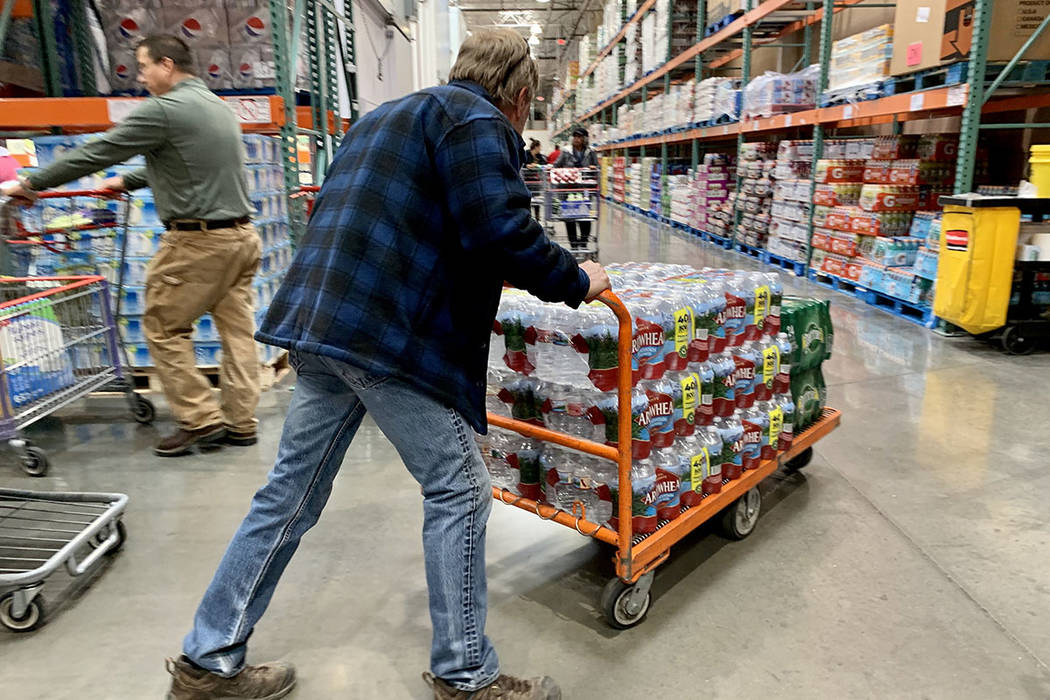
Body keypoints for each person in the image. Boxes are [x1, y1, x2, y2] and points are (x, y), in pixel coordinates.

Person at [163, 28, 609, 700]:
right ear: (521, 97)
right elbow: (498, 230)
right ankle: (465, 678)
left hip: (320, 327)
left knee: (289, 494)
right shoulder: (479, 120)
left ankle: (208, 659)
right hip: (386, 338)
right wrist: (577, 277)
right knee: (459, 489)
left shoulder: (384, 116)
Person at [1, 35, 261, 457]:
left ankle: (200, 420)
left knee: (163, 327)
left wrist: (31, 184)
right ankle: (240, 423)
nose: (140, 78)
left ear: (166, 65)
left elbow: (98, 151)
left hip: (198, 243)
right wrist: (130, 180)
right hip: (242, 238)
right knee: (238, 334)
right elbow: (189, 160)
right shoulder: (215, 106)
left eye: (143, 68)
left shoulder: (164, 110)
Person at [554, 127, 598, 250]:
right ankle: (573, 245)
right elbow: (556, 166)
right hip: (568, 191)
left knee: (585, 218)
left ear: (585, 139)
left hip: (585, 191)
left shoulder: (591, 152)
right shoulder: (566, 151)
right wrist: (564, 173)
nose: (577, 139)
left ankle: (583, 243)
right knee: (570, 218)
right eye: (575, 137)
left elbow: (597, 168)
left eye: (580, 137)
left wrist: (593, 168)